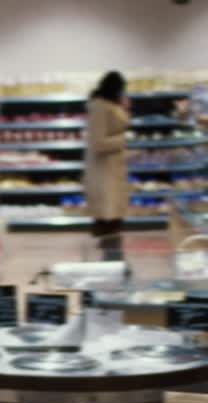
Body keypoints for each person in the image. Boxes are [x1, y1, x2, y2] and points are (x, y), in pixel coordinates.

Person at [84, 70, 131, 262]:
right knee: (109, 223)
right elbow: (98, 143)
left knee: (114, 223)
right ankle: (110, 266)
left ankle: (114, 264)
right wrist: (124, 140)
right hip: (104, 177)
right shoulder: (99, 107)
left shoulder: (111, 105)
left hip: (112, 173)